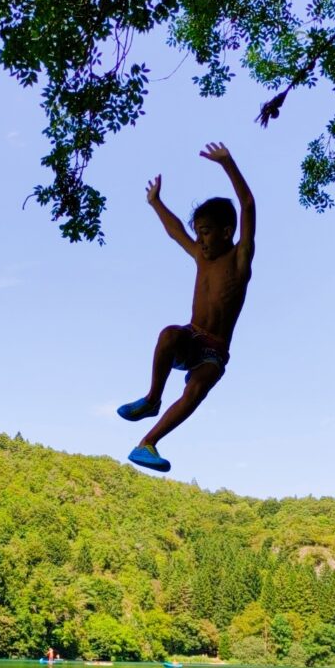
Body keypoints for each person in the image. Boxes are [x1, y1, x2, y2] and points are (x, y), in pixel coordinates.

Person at [118, 142, 255, 472]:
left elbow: (247, 205)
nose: (201, 240)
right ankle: (152, 399)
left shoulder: (239, 259)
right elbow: (174, 231)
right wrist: (156, 203)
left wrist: (228, 163)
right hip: (192, 337)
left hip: (215, 350)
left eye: (206, 233)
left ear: (227, 232)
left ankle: (147, 444)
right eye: (199, 234)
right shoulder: (199, 256)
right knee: (167, 335)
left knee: (195, 389)